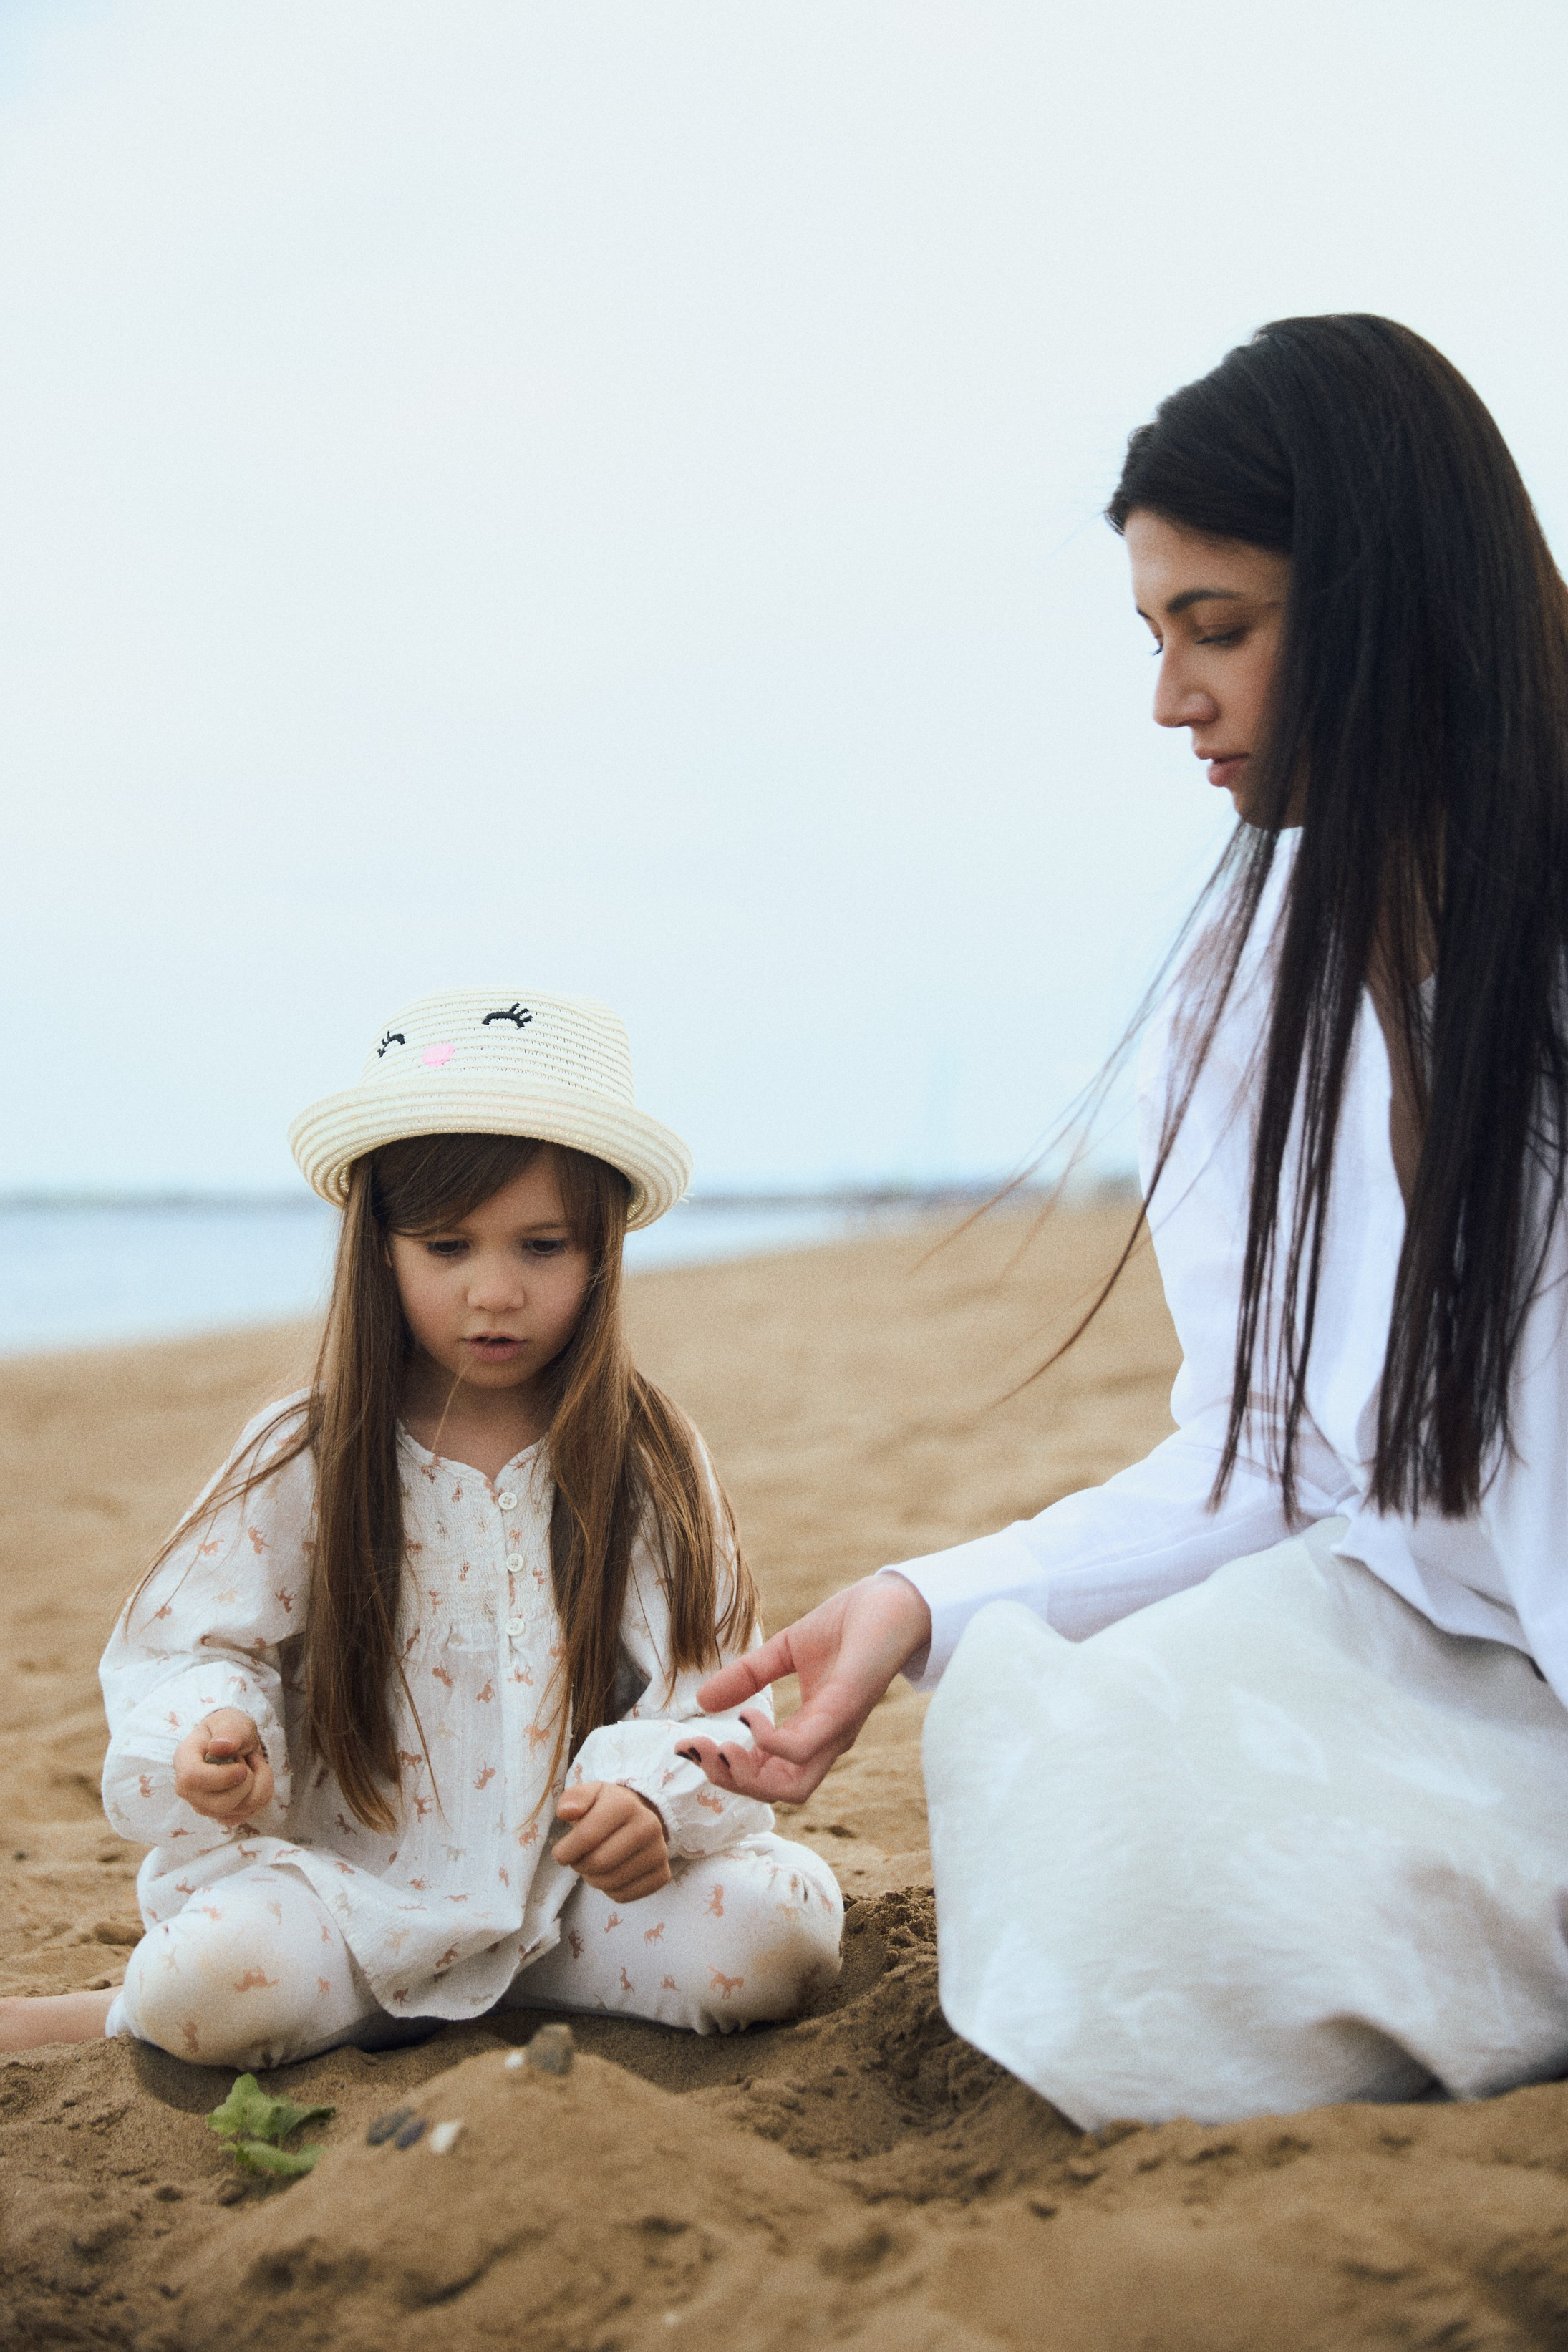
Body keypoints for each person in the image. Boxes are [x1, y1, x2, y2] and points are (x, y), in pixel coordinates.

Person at [681, 316, 1568, 2129]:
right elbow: (1267, 1455)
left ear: (1388, 599)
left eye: (1218, 627)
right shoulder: (1252, 977)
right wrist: (917, 1600)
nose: (1172, 700)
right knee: (1068, 1784)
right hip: (1431, 1646)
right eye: (1156, 634)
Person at [1, 988, 841, 2066]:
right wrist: (215, 1735)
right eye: (447, 1245)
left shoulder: (645, 1452)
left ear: (601, 1252)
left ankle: (457, 2001)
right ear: (379, 1248)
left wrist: (649, 1799)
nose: (495, 1292)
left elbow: (714, 1690)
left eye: (542, 1246)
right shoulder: (307, 1450)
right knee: (209, 1978)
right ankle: (138, 2010)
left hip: (576, 1905)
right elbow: (189, 1646)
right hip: (349, 1903)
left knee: (783, 1926)